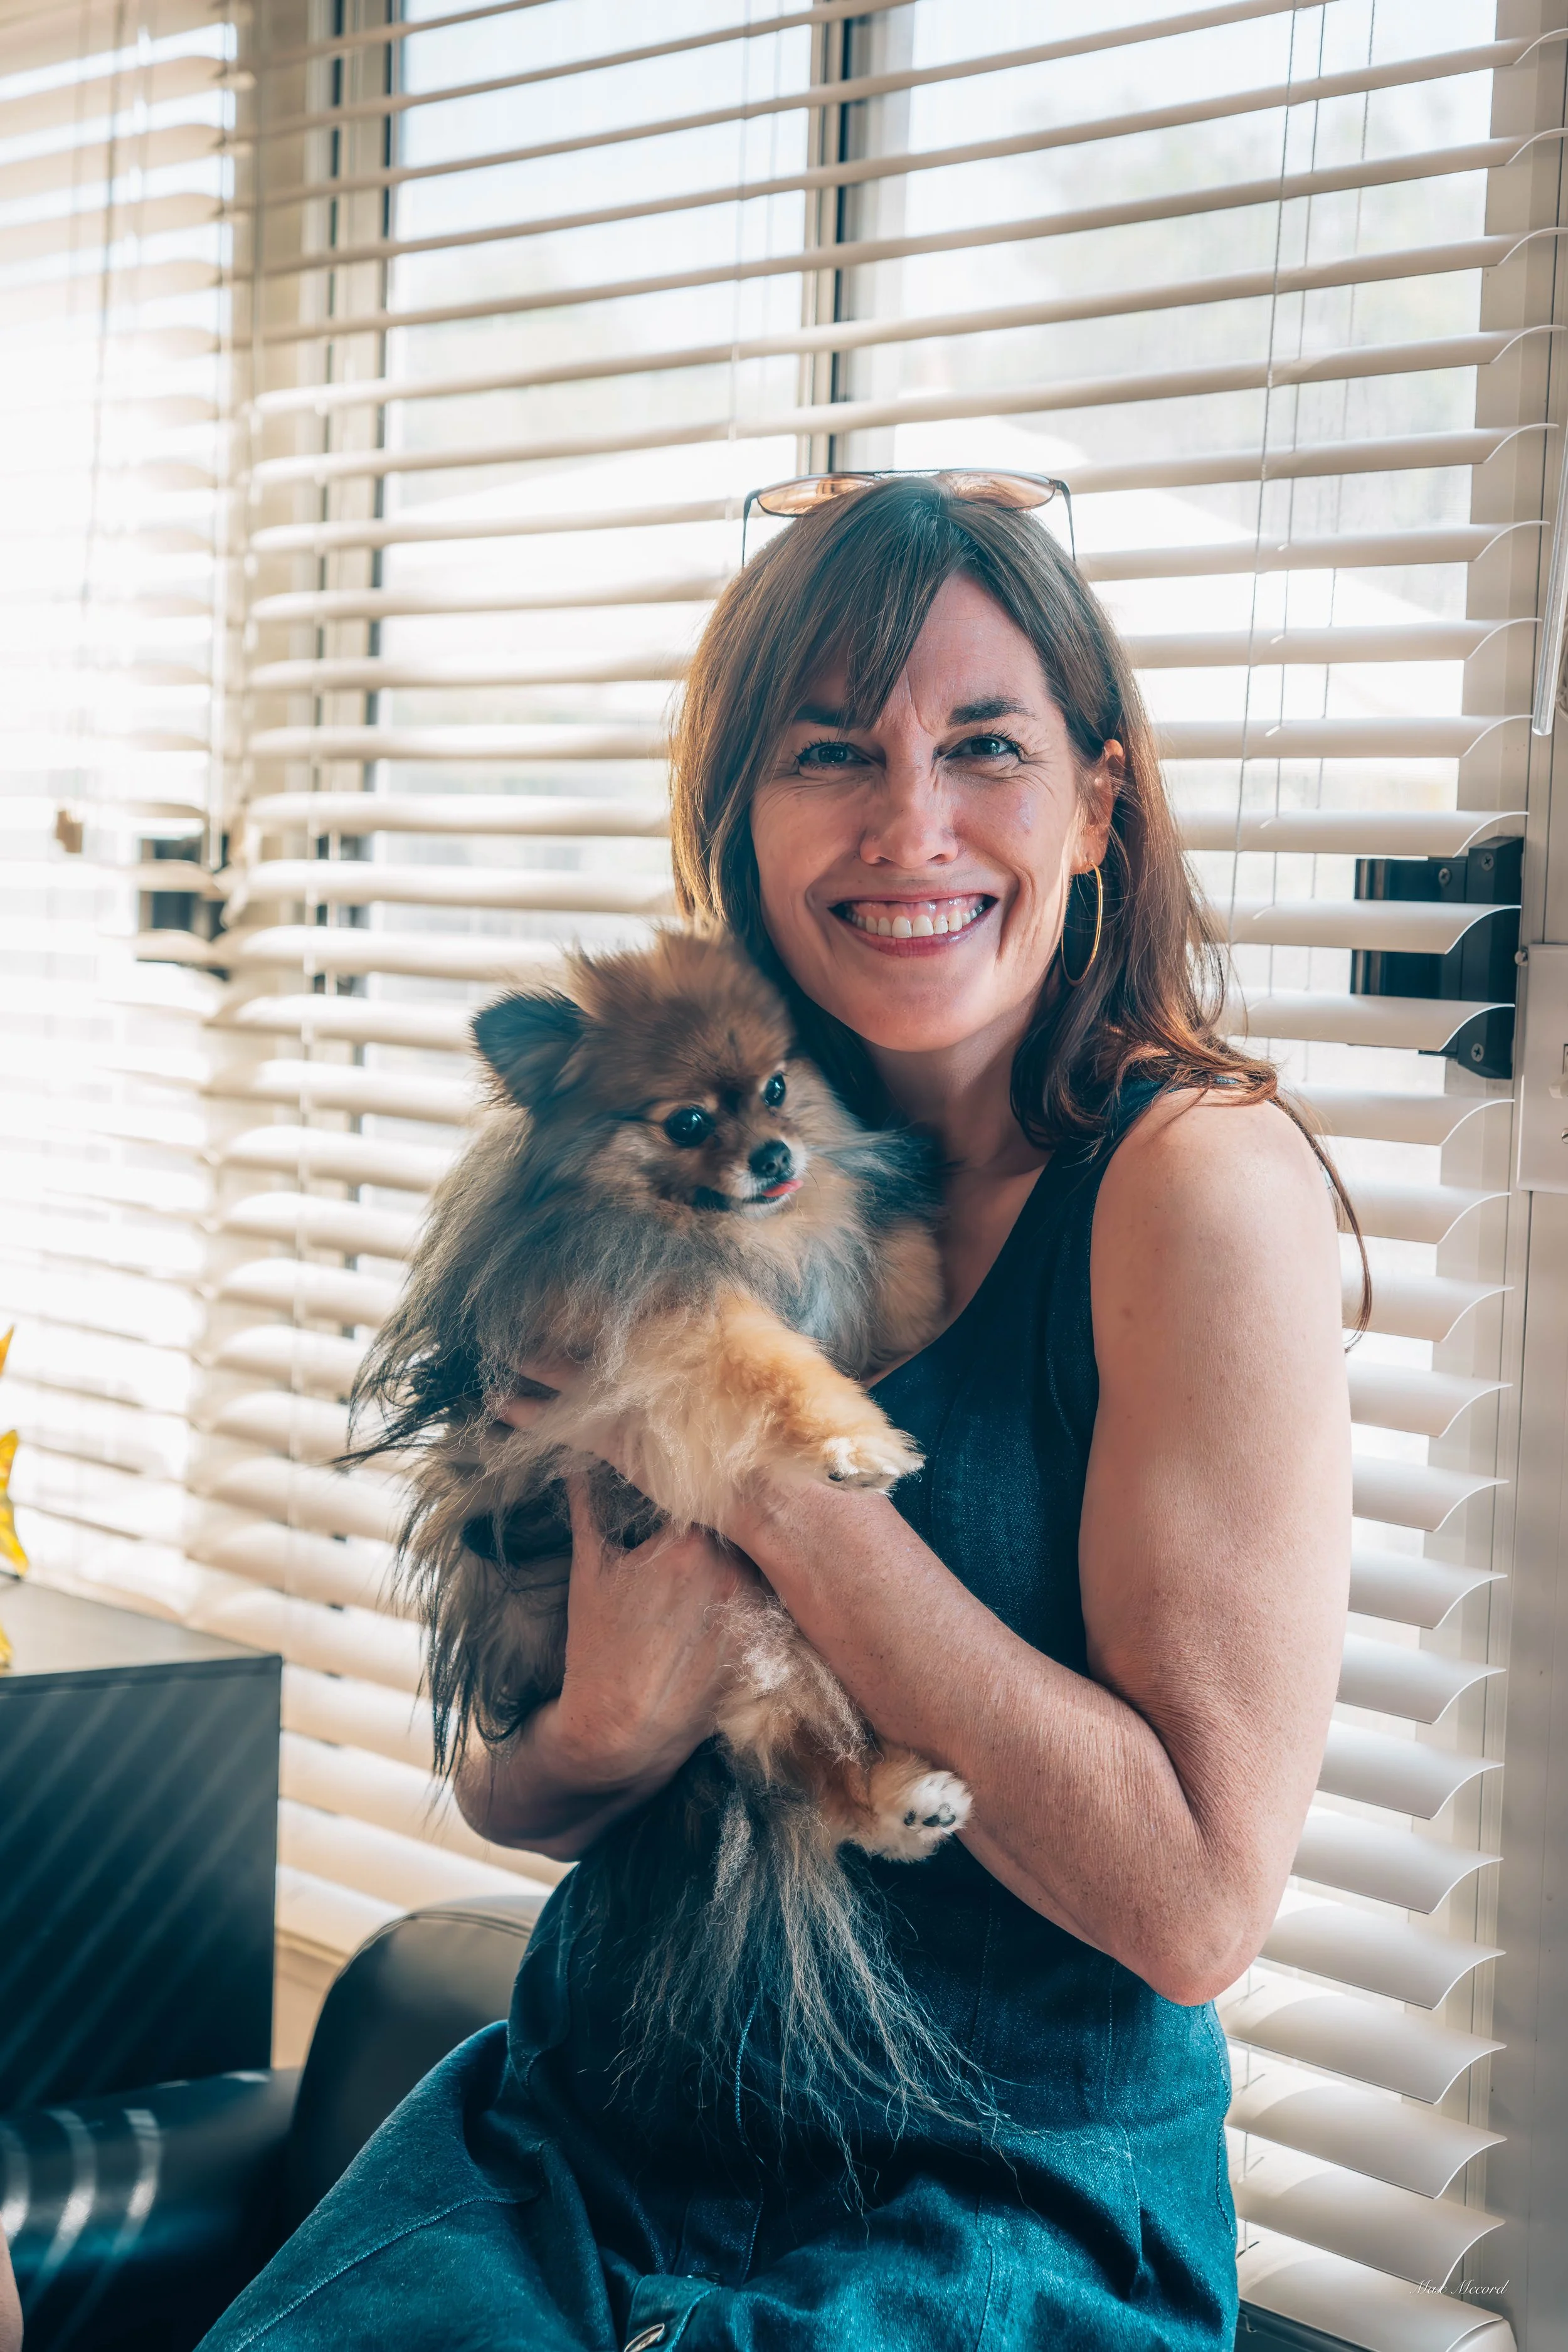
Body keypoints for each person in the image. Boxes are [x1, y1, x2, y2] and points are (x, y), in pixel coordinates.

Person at [201, 476, 1351, 2351]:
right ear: (741, 808)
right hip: (583, 2132)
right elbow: (514, 1776)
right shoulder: (641, 1138)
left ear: (1096, 799)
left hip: (991, 2201)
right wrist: (607, 1719)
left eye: (984, 745)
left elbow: (1194, 1904)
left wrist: (777, 1487)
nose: (913, 824)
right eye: (834, 750)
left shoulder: (1187, 1185)